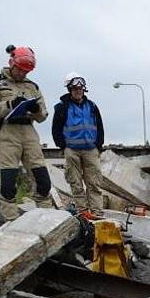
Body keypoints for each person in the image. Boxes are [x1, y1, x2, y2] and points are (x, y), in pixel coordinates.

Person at [0, 45, 52, 221]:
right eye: (20, 69)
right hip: (7, 132)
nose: (22, 73)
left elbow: (43, 115)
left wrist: (36, 109)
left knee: (43, 181)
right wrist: (10, 105)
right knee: (8, 182)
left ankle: (48, 220)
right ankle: (10, 222)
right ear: (12, 63)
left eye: (26, 71)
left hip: (29, 132)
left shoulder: (32, 86)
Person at [52, 73, 105, 216]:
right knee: (76, 184)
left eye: (80, 88)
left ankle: (97, 213)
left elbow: (99, 126)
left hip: (91, 150)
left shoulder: (92, 106)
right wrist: (63, 146)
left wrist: (98, 146)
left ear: (84, 89)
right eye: (75, 88)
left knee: (94, 183)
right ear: (69, 89)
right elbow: (56, 129)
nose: (78, 91)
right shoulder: (62, 107)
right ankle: (83, 213)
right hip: (72, 150)